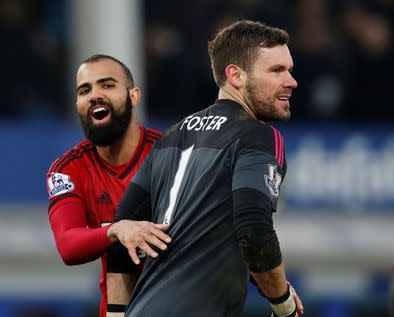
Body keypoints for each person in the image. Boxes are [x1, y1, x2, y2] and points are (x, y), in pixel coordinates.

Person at [107, 20, 305, 316]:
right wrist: (283, 302)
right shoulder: (257, 135)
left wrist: (115, 313)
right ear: (235, 76)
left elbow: (121, 233)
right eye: (276, 70)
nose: (291, 81)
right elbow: (253, 227)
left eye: (289, 69)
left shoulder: (169, 138)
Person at [46, 54, 161, 317]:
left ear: (134, 96)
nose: (95, 95)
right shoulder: (68, 169)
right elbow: (68, 245)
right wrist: (117, 230)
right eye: (85, 90)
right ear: (77, 105)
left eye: (107, 85)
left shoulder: (171, 153)